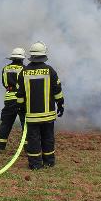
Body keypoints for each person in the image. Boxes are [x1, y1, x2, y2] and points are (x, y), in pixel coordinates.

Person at [15, 42, 64, 170]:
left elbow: (19, 94)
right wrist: (60, 104)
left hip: (32, 116)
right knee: (48, 138)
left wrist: (20, 108)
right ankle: (49, 162)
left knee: (33, 139)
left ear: (31, 56)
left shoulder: (24, 72)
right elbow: (57, 90)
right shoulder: (50, 71)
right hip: (48, 115)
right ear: (44, 55)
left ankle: (35, 164)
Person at [0, 48, 26, 154]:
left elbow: (4, 83)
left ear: (12, 58)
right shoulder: (24, 69)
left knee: (6, 123)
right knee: (25, 124)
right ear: (22, 59)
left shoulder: (5, 68)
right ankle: (29, 149)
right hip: (21, 99)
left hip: (9, 98)